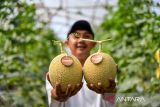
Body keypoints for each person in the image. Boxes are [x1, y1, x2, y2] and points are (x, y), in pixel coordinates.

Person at [46, 20, 117, 107]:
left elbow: (111, 103)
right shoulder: (55, 69)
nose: (81, 40)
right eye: (76, 36)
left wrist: (110, 92)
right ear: (67, 43)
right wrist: (56, 97)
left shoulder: (107, 68)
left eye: (86, 36)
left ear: (94, 44)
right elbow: (53, 105)